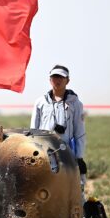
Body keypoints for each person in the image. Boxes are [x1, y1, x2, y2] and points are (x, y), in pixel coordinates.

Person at [30, 65, 87, 204]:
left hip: (66, 151)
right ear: (50, 80)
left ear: (67, 80)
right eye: (55, 77)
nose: (58, 80)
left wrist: (79, 157)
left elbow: (80, 132)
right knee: (43, 186)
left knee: (73, 186)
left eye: (61, 77)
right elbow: (33, 130)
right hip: (44, 153)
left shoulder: (76, 103)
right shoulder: (40, 102)